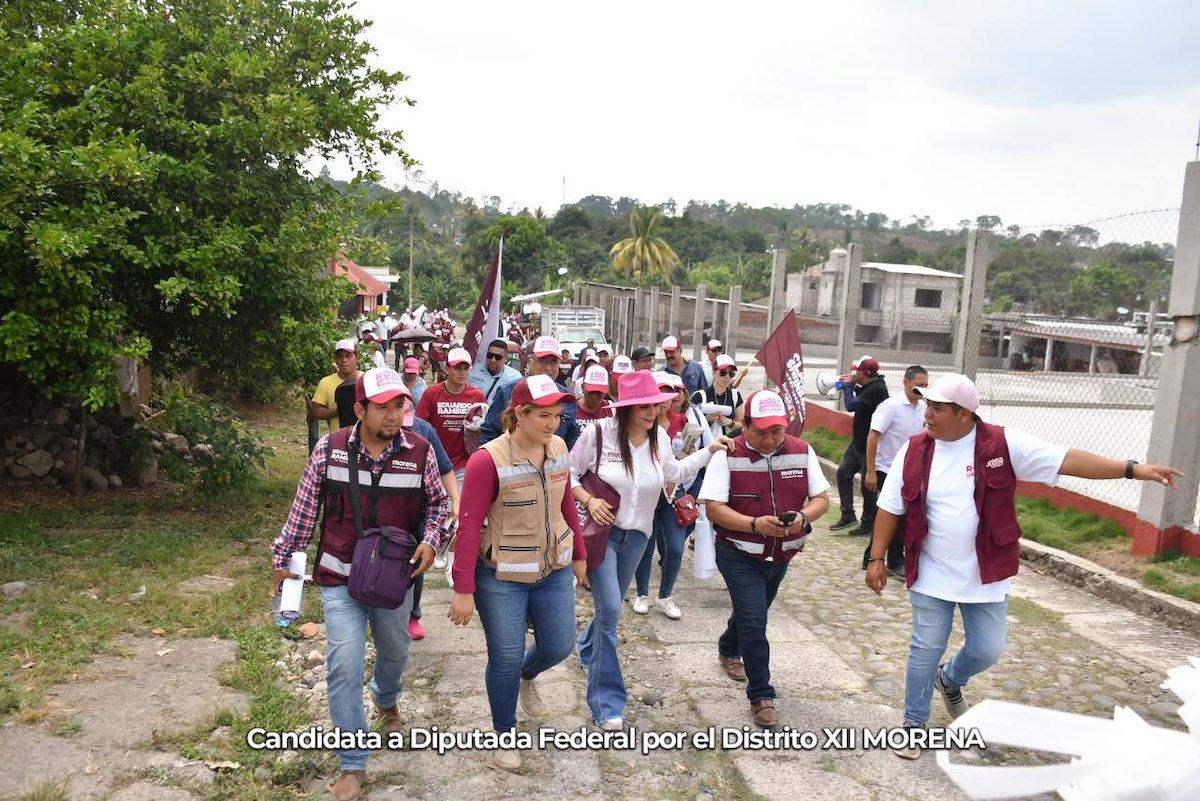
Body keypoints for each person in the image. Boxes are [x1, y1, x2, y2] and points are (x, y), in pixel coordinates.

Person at [865, 373, 1183, 759]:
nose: (927, 414)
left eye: (937, 408)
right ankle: (914, 725)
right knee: (925, 647)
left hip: (986, 573)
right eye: (926, 406)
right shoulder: (913, 451)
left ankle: (949, 679)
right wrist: (877, 557)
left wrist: (1133, 469)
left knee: (988, 650)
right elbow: (890, 506)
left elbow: (1066, 460)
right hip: (931, 571)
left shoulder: (1002, 444)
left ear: (965, 415)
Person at [271, 368, 451, 801]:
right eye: (383, 406)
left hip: (394, 580)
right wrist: (283, 560)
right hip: (340, 577)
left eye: (399, 405)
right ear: (359, 409)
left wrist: (431, 541)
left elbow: (439, 506)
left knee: (394, 650)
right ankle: (353, 761)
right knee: (343, 665)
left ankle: (386, 697)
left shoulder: (420, 451)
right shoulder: (327, 451)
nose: (393, 415)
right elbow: (303, 513)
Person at [571, 371, 730, 730]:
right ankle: (607, 704)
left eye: (655, 406)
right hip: (601, 536)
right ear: (626, 407)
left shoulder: (659, 437)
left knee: (608, 609)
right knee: (611, 610)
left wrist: (709, 450)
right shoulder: (597, 433)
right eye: (642, 406)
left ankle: (585, 648)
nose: (650, 412)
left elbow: (675, 472)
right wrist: (589, 499)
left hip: (637, 538)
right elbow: (568, 473)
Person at [448, 375, 589, 771]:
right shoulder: (487, 459)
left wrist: (579, 555)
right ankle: (504, 732)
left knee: (560, 645)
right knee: (505, 657)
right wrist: (463, 589)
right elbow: (470, 525)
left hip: (553, 569)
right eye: (543, 416)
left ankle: (528, 677)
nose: (552, 425)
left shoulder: (559, 447)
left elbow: (566, 506)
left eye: (557, 416)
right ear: (520, 413)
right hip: (500, 576)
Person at [699, 389, 831, 728]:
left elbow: (821, 499)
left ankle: (729, 645)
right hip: (739, 552)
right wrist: (755, 525)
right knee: (756, 620)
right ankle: (762, 694)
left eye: (777, 431)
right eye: (761, 432)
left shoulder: (802, 451)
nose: (771, 439)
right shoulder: (727, 455)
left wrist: (803, 517)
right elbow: (714, 508)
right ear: (745, 425)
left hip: (783, 552)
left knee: (752, 613)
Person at [632, 372, 705, 620]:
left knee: (674, 548)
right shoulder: (640, 422)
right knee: (644, 546)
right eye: (659, 393)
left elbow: (686, 458)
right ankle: (641, 593)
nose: (664, 401)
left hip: (673, 492)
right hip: (646, 493)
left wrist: (691, 454)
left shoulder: (683, 420)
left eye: (669, 394)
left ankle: (665, 595)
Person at [860, 365, 928, 573]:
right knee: (892, 513)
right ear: (906, 383)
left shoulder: (924, 409)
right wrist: (870, 471)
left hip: (910, 470)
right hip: (885, 468)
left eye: (925, 386)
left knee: (902, 515)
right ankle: (890, 560)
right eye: (918, 385)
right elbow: (873, 436)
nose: (922, 390)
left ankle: (882, 557)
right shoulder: (891, 406)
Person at [480, 336, 578, 450]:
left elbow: (572, 436)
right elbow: (490, 433)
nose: (548, 368)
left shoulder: (567, 398)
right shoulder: (507, 392)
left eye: (554, 363)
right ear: (529, 362)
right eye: (541, 361)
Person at [831, 356, 889, 537]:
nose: (854, 373)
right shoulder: (870, 386)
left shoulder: (877, 389)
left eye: (857, 371)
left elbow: (851, 405)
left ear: (863, 373)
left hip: (869, 446)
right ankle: (848, 514)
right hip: (857, 443)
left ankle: (868, 523)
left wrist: (848, 387)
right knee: (843, 473)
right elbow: (862, 396)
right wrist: (853, 386)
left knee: (868, 487)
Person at [311, 338, 362, 435]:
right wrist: (340, 411)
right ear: (335, 359)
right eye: (340, 357)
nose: (344, 360)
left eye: (348, 356)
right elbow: (315, 411)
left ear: (356, 357)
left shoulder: (367, 379)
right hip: (339, 440)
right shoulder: (326, 382)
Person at [691, 354, 745, 438]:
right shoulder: (699, 396)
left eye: (731, 374)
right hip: (706, 445)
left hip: (728, 444)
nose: (727, 377)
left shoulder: (735, 395)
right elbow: (688, 422)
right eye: (723, 373)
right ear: (713, 372)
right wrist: (706, 419)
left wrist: (730, 422)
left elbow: (742, 424)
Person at [468, 339, 521, 403]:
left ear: (506, 359)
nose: (493, 360)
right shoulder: (474, 371)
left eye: (497, 357)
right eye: (490, 356)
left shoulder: (515, 378)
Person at [574, 364, 612, 435]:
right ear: (582, 387)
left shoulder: (611, 409)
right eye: (591, 392)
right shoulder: (571, 409)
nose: (594, 396)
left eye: (599, 392)